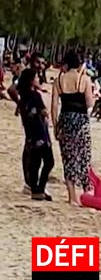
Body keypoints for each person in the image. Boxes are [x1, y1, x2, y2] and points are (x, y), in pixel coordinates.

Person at [51, 51, 94, 206]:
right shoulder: (85, 79)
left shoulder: (59, 81)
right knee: (84, 156)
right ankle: (87, 192)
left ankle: (72, 197)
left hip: (66, 120)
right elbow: (89, 103)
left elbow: (54, 106)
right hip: (81, 121)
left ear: (67, 64)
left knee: (68, 158)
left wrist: (56, 126)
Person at [7, 53, 47, 194]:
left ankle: (31, 181)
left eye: (42, 63)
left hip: (35, 115)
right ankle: (29, 181)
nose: (40, 65)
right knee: (31, 145)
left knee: (34, 146)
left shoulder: (36, 76)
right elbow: (11, 89)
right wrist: (20, 104)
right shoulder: (25, 75)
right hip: (31, 116)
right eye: (38, 62)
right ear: (31, 62)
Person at [17, 68, 54, 201]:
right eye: (37, 77)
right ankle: (40, 187)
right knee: (49, 161)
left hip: (30, 134)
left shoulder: (23, 98)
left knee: (35, 162)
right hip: (40, 131)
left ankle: (34, 189)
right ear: (32, 81)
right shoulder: (35, 96)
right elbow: (44, 112)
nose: (39, 79)